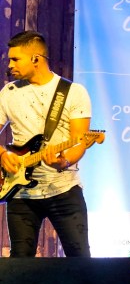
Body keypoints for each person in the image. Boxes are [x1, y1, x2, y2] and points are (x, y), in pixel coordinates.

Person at [0, 31, 93, 258]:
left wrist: (64, 161)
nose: (10, 65)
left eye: (15, 59)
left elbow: (80, 141)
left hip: (64, 189)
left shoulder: (73, 92)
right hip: (20, 193)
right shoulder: (9, 93)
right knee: (21, 265)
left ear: (36, 59)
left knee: (80, 261)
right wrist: (2, 154)